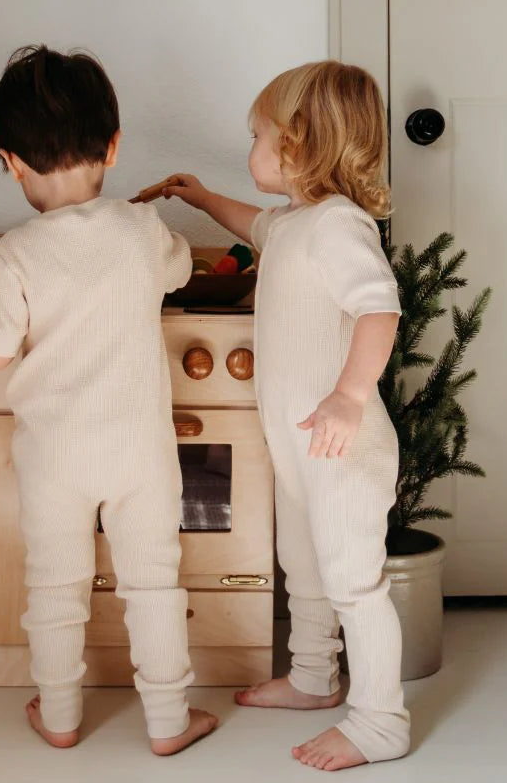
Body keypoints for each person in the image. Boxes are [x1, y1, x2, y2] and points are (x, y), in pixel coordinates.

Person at [0, 46, 218, 755]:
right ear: (113, 147)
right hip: (139, 451)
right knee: (153, 583)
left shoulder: (13, 256)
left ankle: (58, 717)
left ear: (9, 161)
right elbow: (181, 268)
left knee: (55, 587)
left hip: (55, 455)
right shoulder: (142, 231)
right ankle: (170, 722)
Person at [163, 60, 410, 771]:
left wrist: (351, 396)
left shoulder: (338, 226)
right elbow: (255, 224)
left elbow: (379, 307)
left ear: (297, 145)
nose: (251, 149)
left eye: (258, 135)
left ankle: (380, 722)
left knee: (353, 582)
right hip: (303, 449)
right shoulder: (299, 223)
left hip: (344, 446)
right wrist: (207, 199)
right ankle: (311, 678)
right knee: (303, 566)